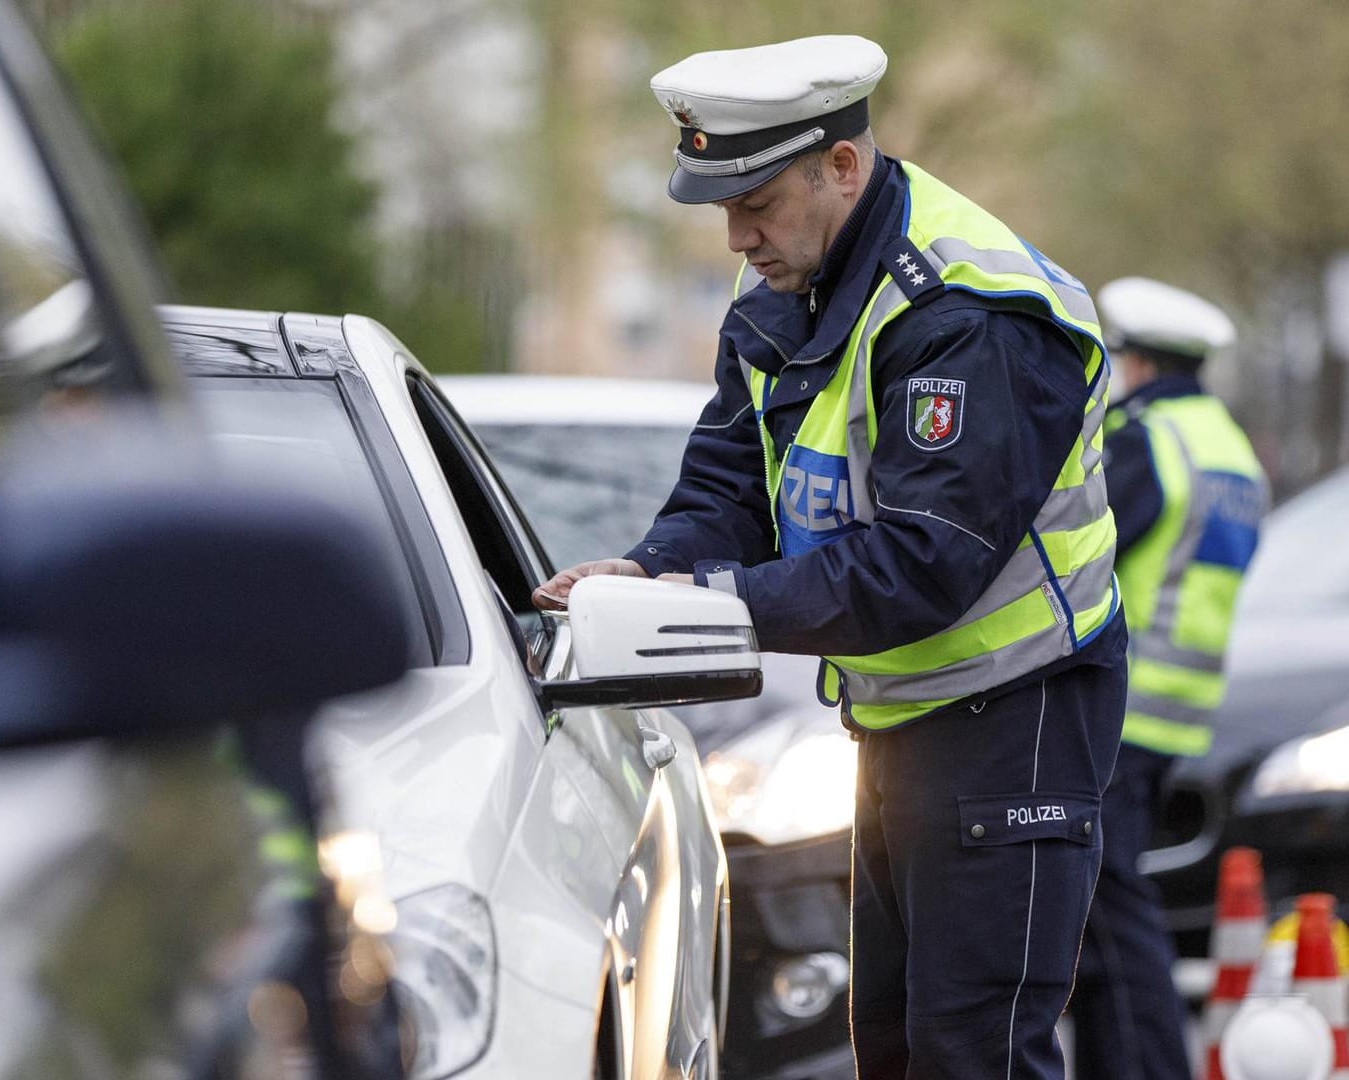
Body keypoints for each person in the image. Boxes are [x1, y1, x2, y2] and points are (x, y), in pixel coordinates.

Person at [533, 34, 1126, 1080]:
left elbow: (921, 567)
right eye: (725, 209)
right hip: (900, 720)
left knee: (973, 1053)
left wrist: (709, 608)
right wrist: (649, 571)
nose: (735, 238)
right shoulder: (783, 289)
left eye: (755, 204)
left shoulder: (967, 314)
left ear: (841, 168)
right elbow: (727, 492)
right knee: (893, 1049)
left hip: (1015, 714)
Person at [1069, 277, 1270, 1080]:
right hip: (1178, 711)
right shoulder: (1229, 447)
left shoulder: (1147, 440)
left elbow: (1077, 551)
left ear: (1139, 362)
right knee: (1104, 909)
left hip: (1120, 707)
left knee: (1111, 912)